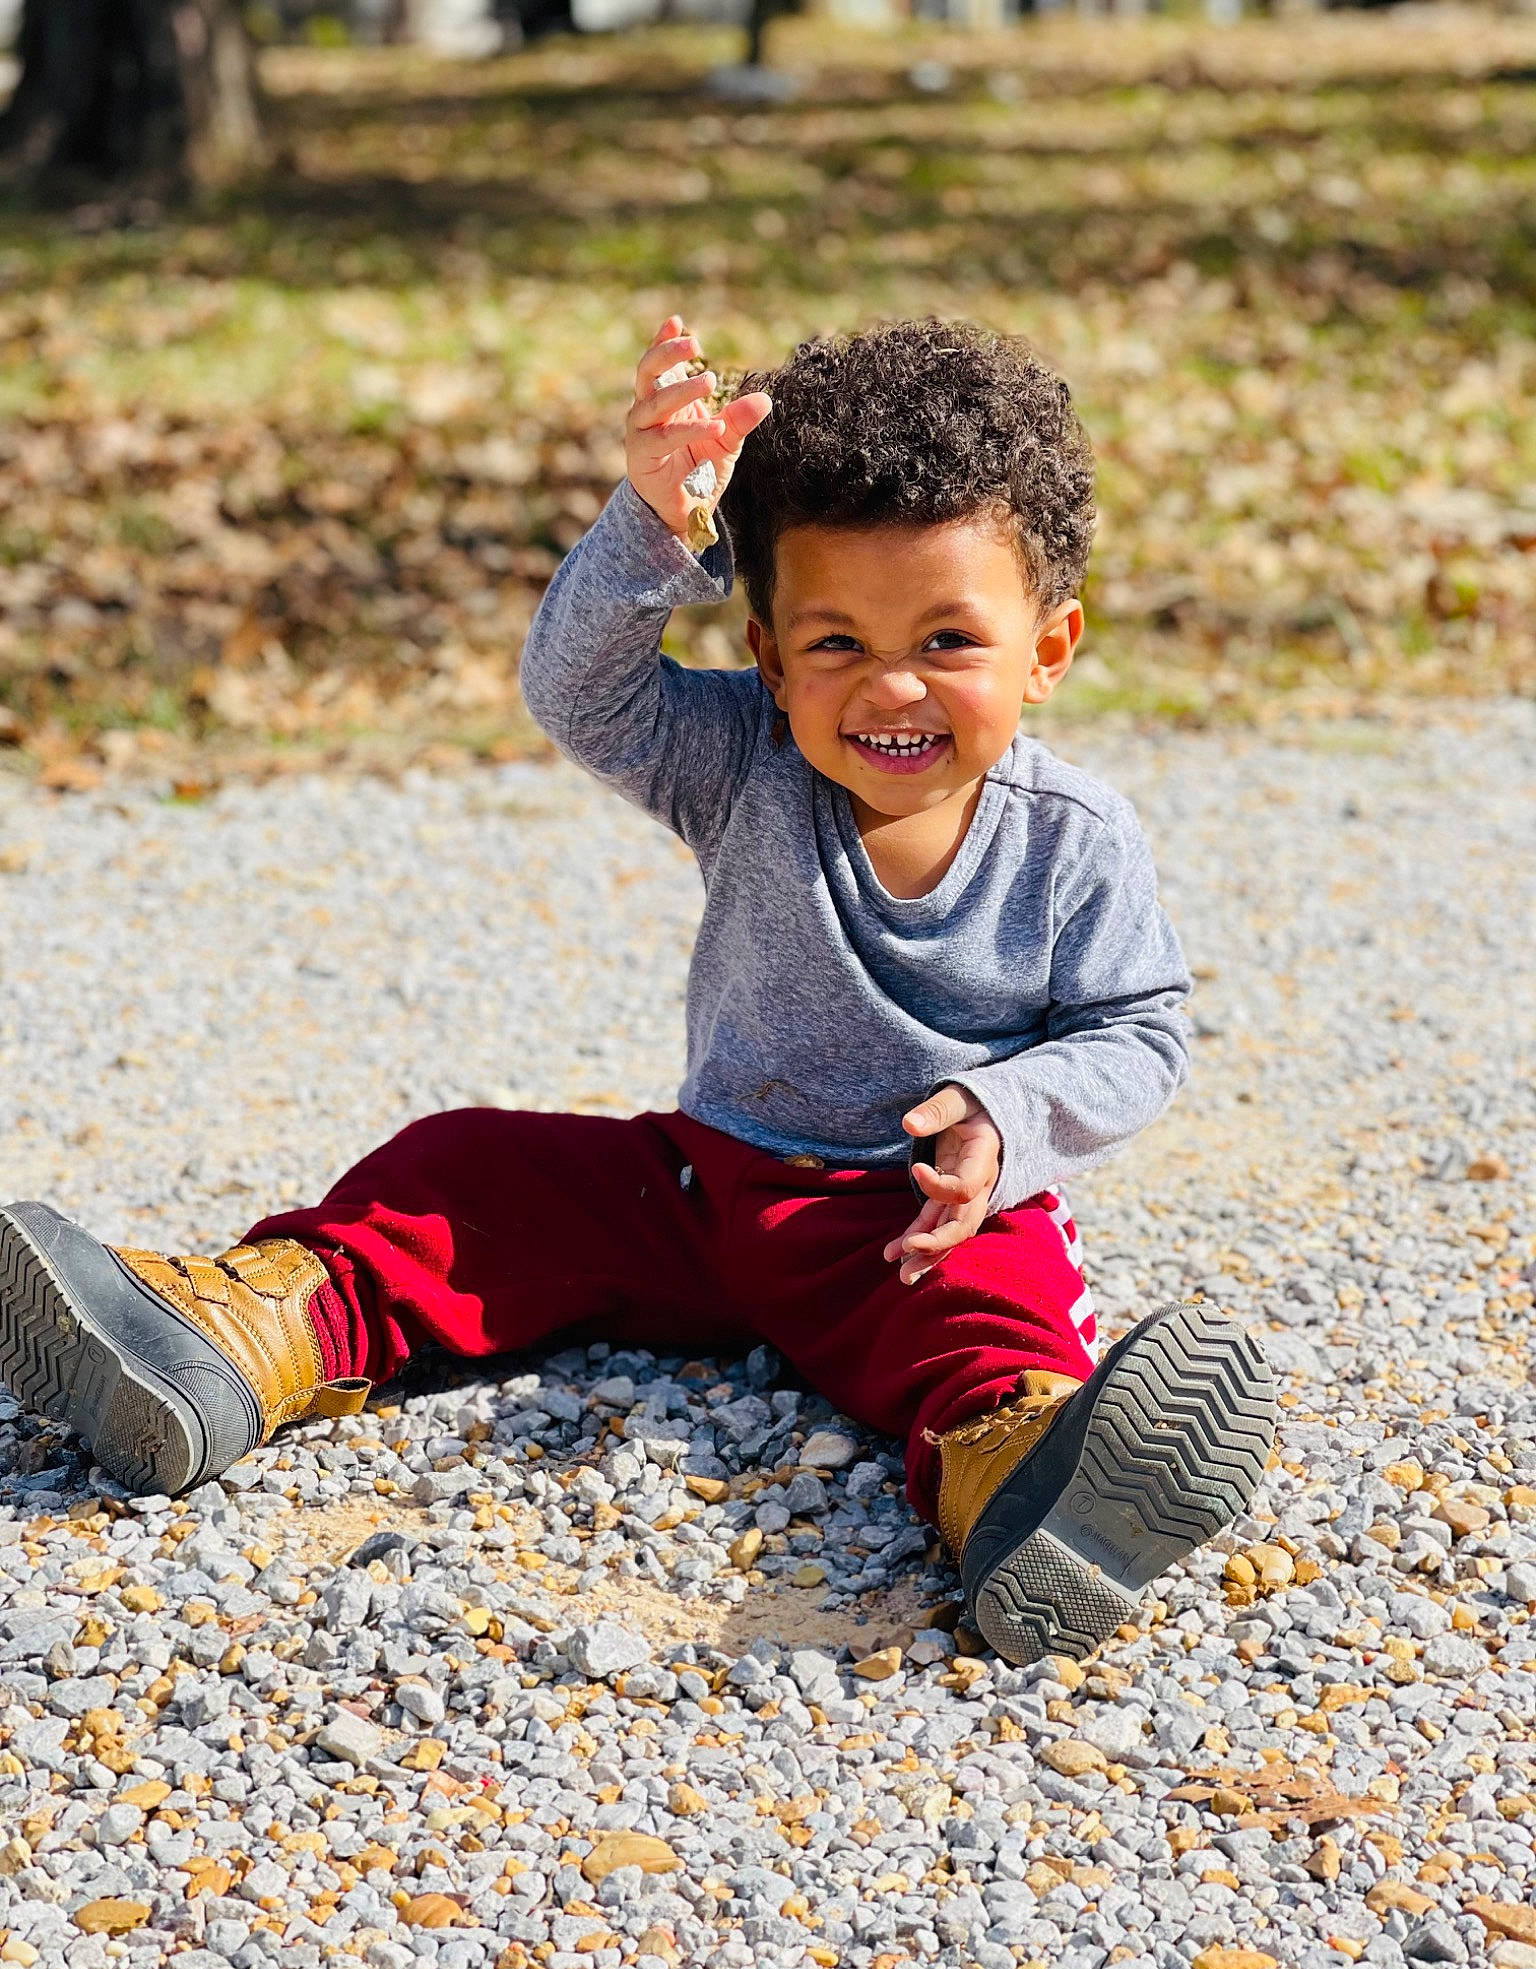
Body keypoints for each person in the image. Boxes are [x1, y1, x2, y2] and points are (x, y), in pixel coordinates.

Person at [0, 316, 1276, 1665]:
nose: (891, 685)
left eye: (950, 639)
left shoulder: (1075, 838)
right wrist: (650, 525)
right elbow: (578, 689)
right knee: (464, 1171)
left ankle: (1022, 1487)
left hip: (917, 1221)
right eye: (835, 642)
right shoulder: (741, 761)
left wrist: (1011, 1118)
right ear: (770, 657)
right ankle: (236, 1340)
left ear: (1049, 647)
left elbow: (1137, 1032)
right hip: (706, 1184)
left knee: (997, 1312)